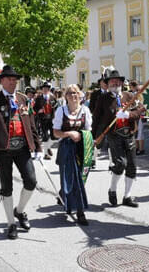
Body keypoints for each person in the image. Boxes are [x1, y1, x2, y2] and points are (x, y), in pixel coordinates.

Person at [0, 65, 42, 240]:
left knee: (31, 181)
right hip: (2, 150)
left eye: (15, 79)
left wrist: (37, 146)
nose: (13, 82)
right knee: (6, 187)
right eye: (9, 79)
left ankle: (19, 211)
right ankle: (11, 224)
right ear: (1, 81)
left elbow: (31, 124)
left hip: (22, 148)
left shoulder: (23, 99)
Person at [92, 68, 144, 207]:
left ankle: (127, 196)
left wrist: (129, 115)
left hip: (129, 134)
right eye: (111, 81)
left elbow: (140, 110)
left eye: (117, 81)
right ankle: (113, 189)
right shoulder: (103, 99)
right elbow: (96, 118)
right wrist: (94, 136)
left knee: (132, 166)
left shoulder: (129, 96)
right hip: (114, 135)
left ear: (122, 82)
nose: (115, 83)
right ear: (108, 84)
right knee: (120, 163)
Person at [52, 84, 92, 225]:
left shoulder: (85, 111)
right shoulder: (60, 111)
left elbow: (88, 131)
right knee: (71, 179)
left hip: (81, 148)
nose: (73, 95)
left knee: (79, 179)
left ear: (80, 95)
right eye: (69, 93)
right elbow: (55, 132)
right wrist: (68, 133)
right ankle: (80, 212)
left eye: (75, 93)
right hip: (66, 148)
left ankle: (66, 198)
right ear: (65, 96)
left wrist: (80, 135)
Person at [34, 82, 57, 160]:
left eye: (47, 88)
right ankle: (46, 154)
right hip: (43, 119)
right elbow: (35, 108)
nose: (45, 90)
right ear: (42, 90)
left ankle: (48, 147)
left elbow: (56, 106)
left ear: (49, 89)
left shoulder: (52, 97)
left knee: (54, 136)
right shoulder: (39, 98)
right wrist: (38, 110)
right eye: (44, 89)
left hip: (51, 118)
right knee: (45, 136)